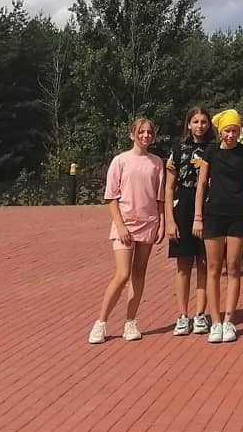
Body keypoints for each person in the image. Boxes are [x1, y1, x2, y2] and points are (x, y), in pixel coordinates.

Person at [88, 118, 165, 344]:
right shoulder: (120, 161)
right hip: (125, 224)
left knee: (139, 273)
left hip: (148, 223)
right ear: (132, 134)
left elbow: (159, 198)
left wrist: (160, 222)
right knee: (122, 275)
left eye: (149, 132)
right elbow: (111, 197)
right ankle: (101, 322)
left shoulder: (157, 162)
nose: (145, 136)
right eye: (141, 132)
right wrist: (121, 225)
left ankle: (130, 322)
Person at [192, 109, 243, 344]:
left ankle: (229, 319)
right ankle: (216, 320)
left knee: (233, 267)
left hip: (238, 215)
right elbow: (201, 185)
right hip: (213, 214)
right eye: (227, 131)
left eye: (235, 130)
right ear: (220, 132)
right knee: (213, 268)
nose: (231, 135)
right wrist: (197, 216)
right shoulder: (210, 152)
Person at [165, 107, 213, 337]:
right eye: (195, 121)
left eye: (204, 121)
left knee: (204, 263)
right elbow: (168, 187)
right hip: (182, 206)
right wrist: (169, 221)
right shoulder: (177, 149)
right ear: (189, 124)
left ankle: (200, 314)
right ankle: (183, 315)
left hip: (208, 206)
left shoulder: (214, 148)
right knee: (183, 265)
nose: (200, 125)